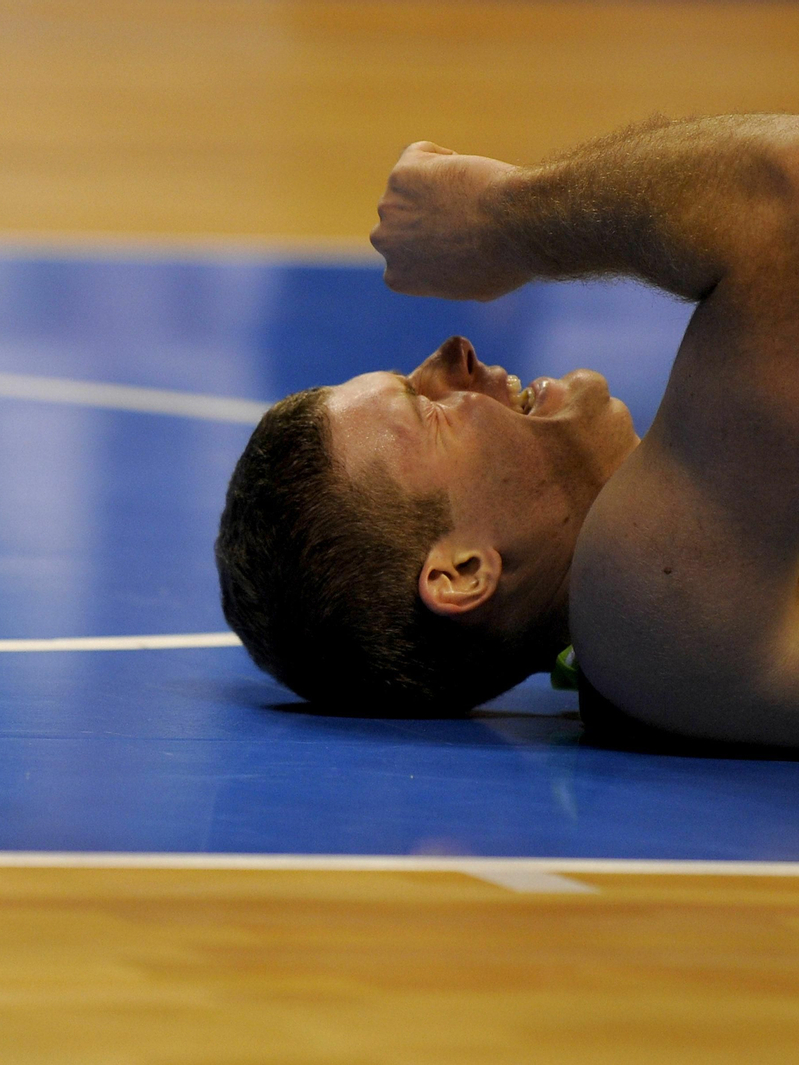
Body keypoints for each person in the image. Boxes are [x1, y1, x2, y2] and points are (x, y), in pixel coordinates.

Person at [215, 114, 799, 745]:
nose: (454, 355)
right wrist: (502, 221)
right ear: (463, 572)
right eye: (426, 409)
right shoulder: (639, 602)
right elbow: (780, 198)